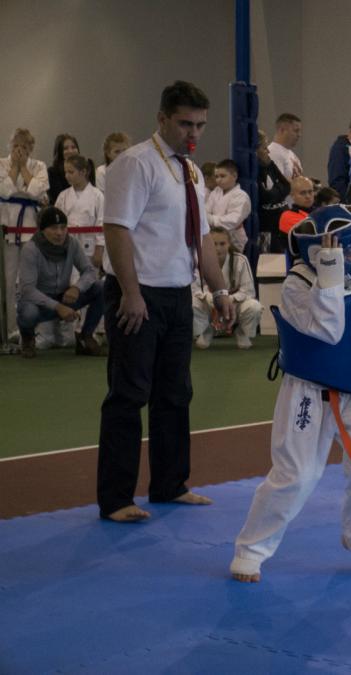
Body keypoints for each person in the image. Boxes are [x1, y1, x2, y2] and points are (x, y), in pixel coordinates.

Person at [230, 205, 351, 583]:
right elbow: (328, 330)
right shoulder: (297, 284)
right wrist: (329, 271)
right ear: (325, 253)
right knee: (296, 475)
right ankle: (251, 550)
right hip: (308, 392)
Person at [97, 80, 236, 523]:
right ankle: (116, 499)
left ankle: (170, 485)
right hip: (138, 295)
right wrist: (131, 293)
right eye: (184, 124)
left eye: (200, 125)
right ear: (162, 119)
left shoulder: (191, 171)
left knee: (175, 394)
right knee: (128, 394)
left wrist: (219, 290)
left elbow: (202, 238)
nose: (193, 133)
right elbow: (117, 229)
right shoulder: (136, 164)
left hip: (178, 294)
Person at [16, 206, 104, 358]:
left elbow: (89, 271)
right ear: (42, 230)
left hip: (64, 297)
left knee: (101, 287)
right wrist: (58, 307)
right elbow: (28, 290)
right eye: (54, 228)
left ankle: (85, 337)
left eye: (63, 227)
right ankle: (27, 339)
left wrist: (77, 288)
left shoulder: (72, 243)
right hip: (39, 303)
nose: (59, 233)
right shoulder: (30, 249)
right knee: (28, 312)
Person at [1, 128, 49, 332]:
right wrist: (15, 167)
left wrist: (23, 168)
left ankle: (31, 329)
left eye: (24, 146)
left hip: (31, 228)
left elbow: (38, 191)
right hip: (7, 228)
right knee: (8, 279)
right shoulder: (1, 164)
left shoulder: (39, 165)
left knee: (30, 278)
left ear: (31, 148)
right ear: (10, 146)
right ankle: (10, 329)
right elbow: (5, 191)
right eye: (16, 146)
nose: (20, 150)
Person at [193, 226, 262, 349]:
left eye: (222, 244)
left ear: (229, 244)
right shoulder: (200, 260)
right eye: (214, 244)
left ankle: (242, 332)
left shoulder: (240, 260)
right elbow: (195, 289)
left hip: (234, 304)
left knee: (254, 306)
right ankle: (206, 330)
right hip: (209, 303)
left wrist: (228, 299)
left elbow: (248, 291)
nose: (218, 248)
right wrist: (210, 297)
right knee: (192, 303)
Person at [55, 154, 105, 269]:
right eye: (65, 172)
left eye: (71, 172)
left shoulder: (98, 196)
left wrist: (99, 249)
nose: (67, 176)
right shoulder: (63, 195)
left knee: (88, 276)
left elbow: (101, 223)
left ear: (83, 172)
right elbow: (56, 221)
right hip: (66, 244)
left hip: (89, 246)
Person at [256, 129, 291, 253]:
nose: (268, 151)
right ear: (255, 150)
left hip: (281, 223)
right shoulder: (254, 172)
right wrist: (278, 191)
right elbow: (266, 197)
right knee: (267, 261)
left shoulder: (270, 164)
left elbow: (287, 186)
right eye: (265, 148)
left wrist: (275, 192)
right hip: (266, 228)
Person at [205, 159, 251, 252]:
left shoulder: (241, 196)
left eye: (222, 176)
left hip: (234, 242)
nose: (219, 180)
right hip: (215, 238)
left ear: (234, 176)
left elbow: (233, 221)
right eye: (216, 176)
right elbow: (205, 212)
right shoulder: (216, 192)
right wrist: (208, 218)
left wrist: (211, 219)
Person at [48, 134, 94, 204]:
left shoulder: (87, 166)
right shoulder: (52, 172)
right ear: (60, 152)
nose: (70, 151)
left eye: (73, 147)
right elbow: (56, 198)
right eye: (65, 148)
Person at [277, 176, 316, 243]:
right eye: (303, 193)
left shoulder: (319, 211)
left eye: (310, 192)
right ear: (292, 196)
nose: (308, 196)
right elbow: (313, 236)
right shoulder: (287, 216)